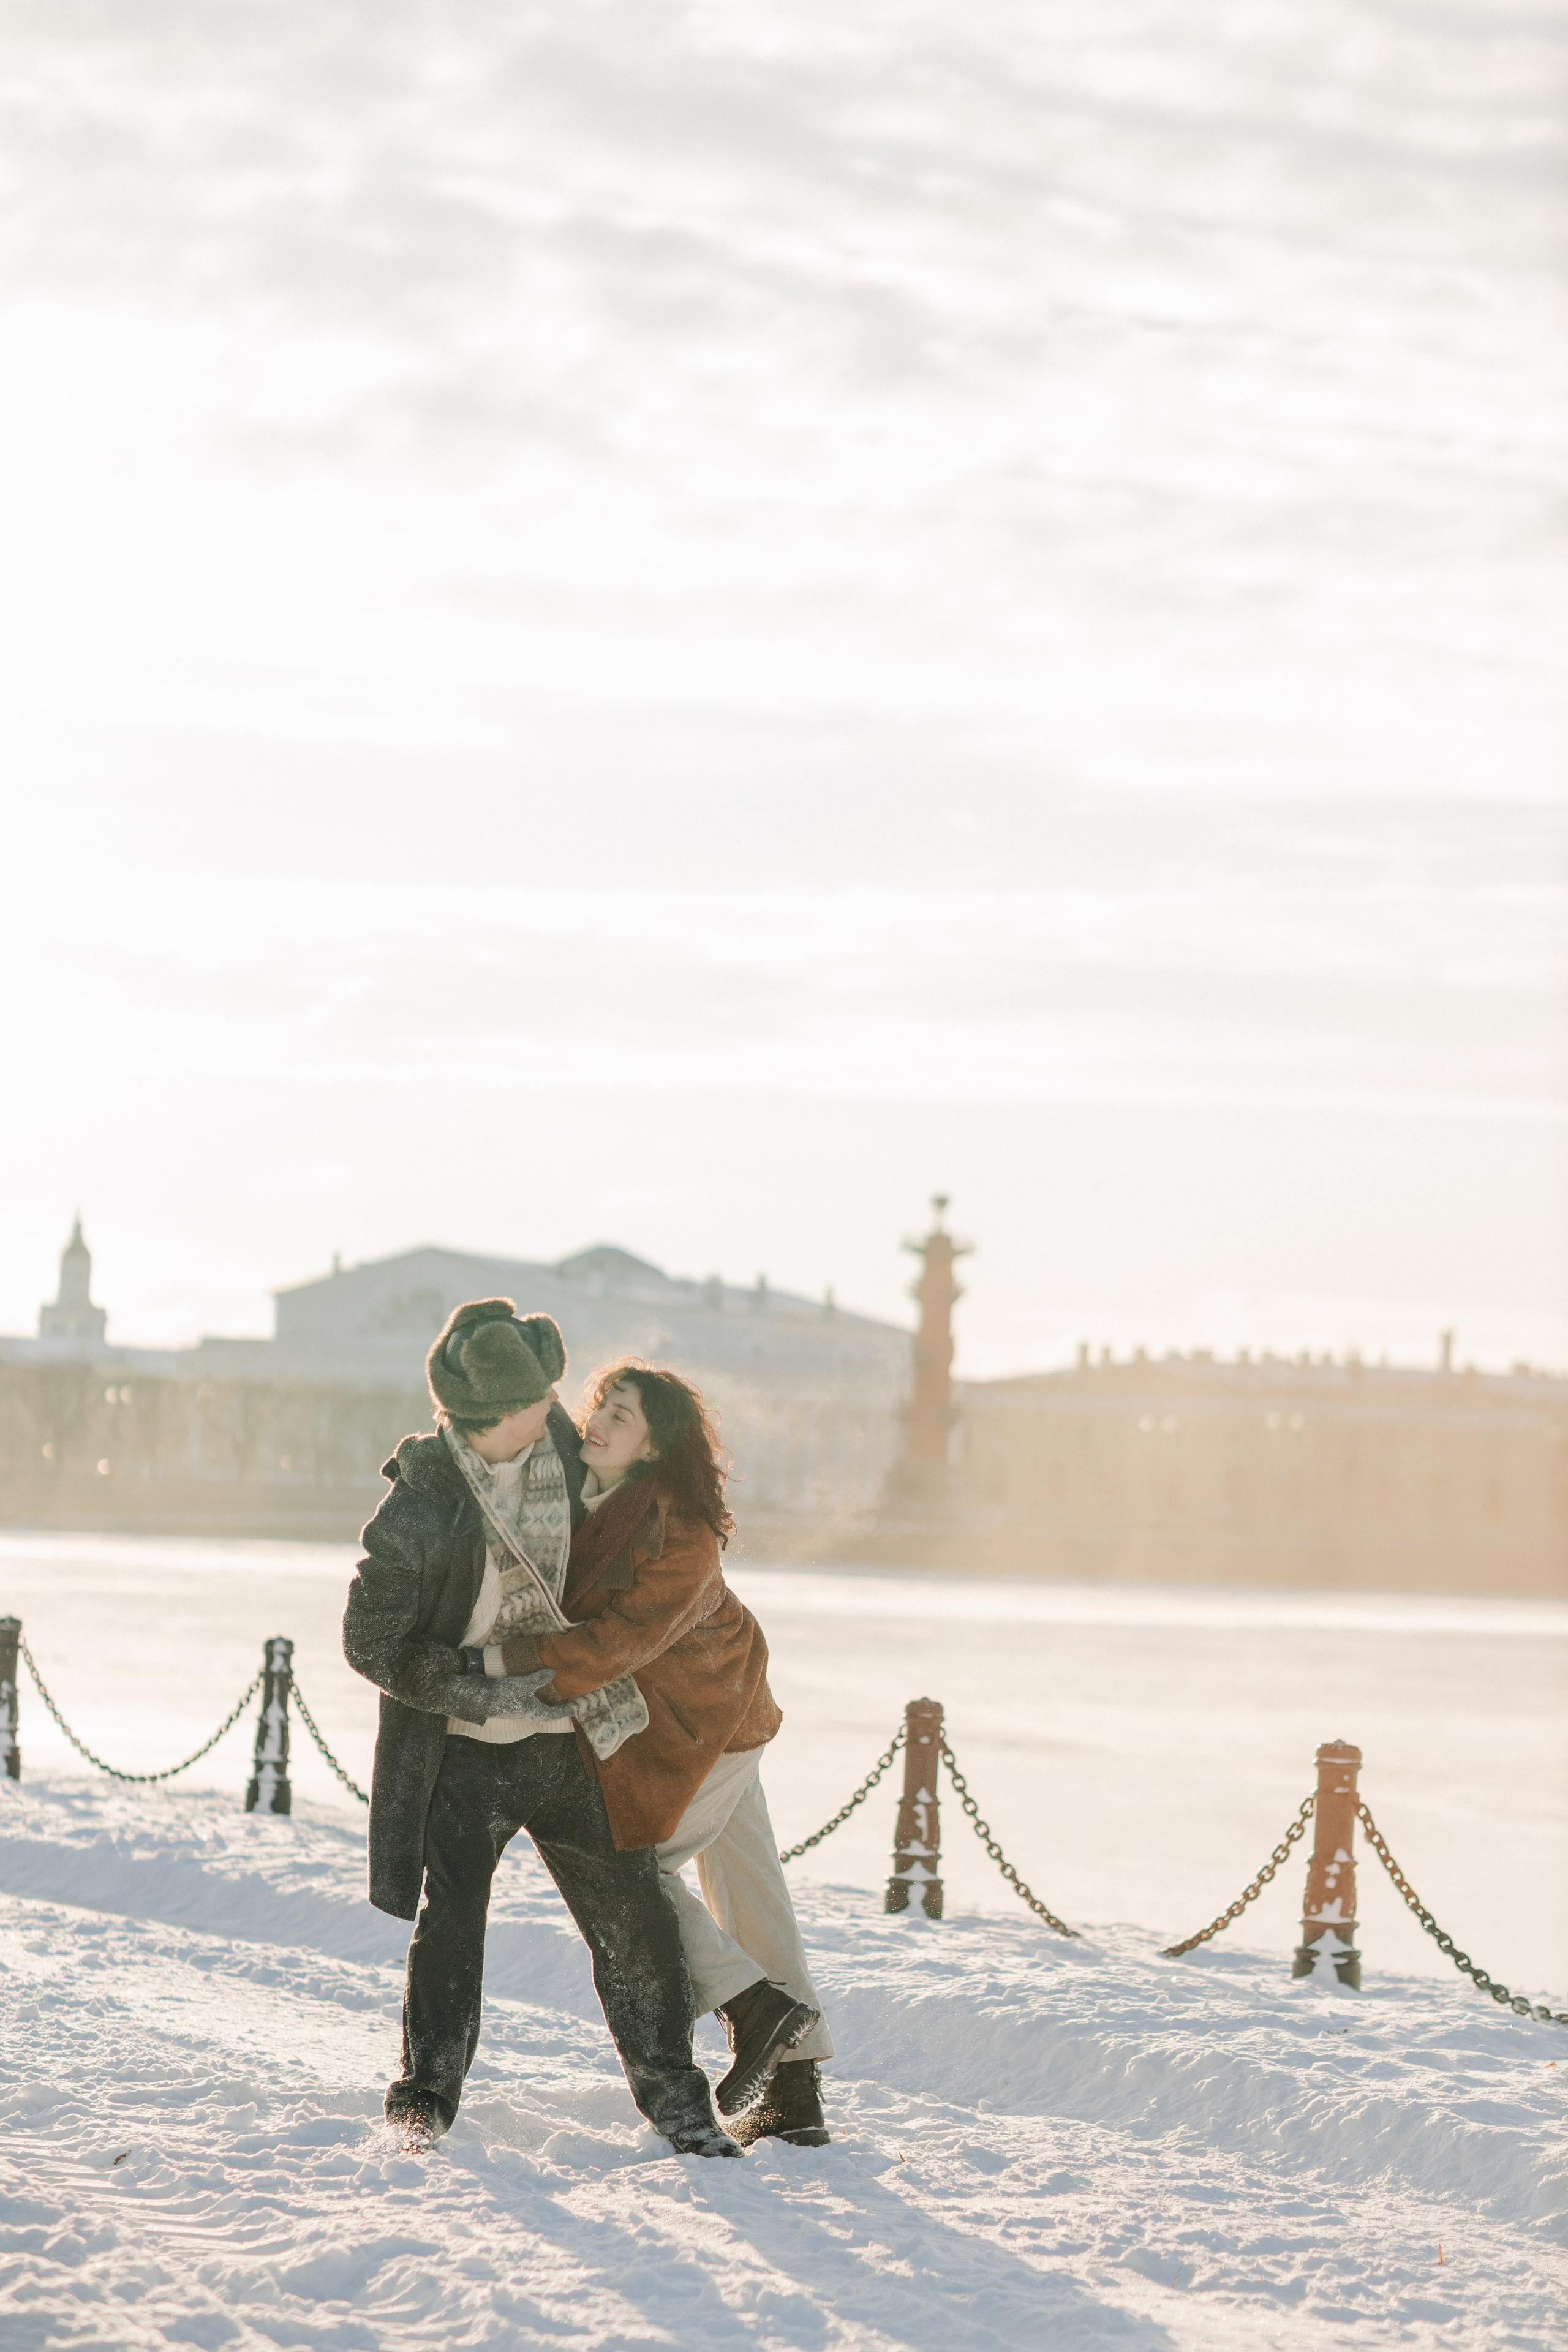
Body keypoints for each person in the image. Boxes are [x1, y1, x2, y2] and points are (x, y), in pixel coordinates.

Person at [342, 1298, 739, 2157]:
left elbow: (660, 1506)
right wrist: (479, 1691)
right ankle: (424, 2099)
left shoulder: (568, 1446)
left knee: (631, 1921)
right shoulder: (420, 1507)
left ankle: (680, 2105)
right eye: (541, 1400)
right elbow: (370, 1644)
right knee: (451, 1922)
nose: (565, 1408)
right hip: (466, 1752)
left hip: (578, 1744)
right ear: (496, 1417)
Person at [492, 1359, 835, 2148]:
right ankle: (796, 2088)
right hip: (687, 1720)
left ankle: (755, 2008)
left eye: (625, 1416)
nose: (600, 1421)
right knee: (750, 1889)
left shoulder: (677, 1527)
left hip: (710, 1723)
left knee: (633, 1877)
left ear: (652, 1449)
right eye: (602, 1404)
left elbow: (617, 1643)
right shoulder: (588, 1496)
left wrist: (506, 1667)